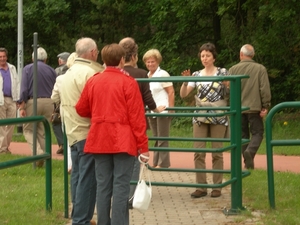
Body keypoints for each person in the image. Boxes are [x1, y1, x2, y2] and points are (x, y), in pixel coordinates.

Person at [75, 43, 149, 225]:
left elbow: (81, 108)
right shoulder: (128, 82)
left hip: (99, 138)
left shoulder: (94, 80)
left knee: (103, 187)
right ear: (123, 60)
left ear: (103, 60)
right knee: (121, 187)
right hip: (123, 140)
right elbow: (137, 118)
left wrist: (99, 114)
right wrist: (144, 147)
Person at [58, 37, 104, 225]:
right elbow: (98, 105)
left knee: (78, 176)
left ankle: (78, 215)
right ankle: (81, 220)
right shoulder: (91, 73)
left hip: (72, 130)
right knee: (87, 179)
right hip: (87, 131)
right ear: (93, 53)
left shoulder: (68, 73)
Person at [119, 37, 165, 207]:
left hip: (117, 121)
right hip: (135, 120)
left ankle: (118, 193)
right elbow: (147, 98)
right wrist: (155, 109)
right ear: (135, 56)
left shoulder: (116, 73)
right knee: (134, 159)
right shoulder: (140, 74)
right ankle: (131, 196)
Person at [180, 42, 229, 198]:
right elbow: (183, 94)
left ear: (214, 57)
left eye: (207, 55)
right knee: (198, 152)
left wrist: (227, 85)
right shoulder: (196, 75)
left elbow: (230, 91)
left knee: (217, 152)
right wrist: (185, 81)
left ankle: (217, 186)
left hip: (218, 115)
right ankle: (201, 187)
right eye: (202, 55)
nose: (205, 58)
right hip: (200, 116)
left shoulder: (222, 72)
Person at [229, 44, 271, 169]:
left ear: (241, 54)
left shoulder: (232, 69)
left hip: (238, 108)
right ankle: (250, 152)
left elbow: (229, 90)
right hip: (254, 107)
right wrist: (266, 105)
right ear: (252, 55)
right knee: (258, 132)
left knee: (242, 135)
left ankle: (248, 161)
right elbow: (264, 89)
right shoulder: (260, 69)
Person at [18, 47, 57, 167]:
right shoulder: (51, 70)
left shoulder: (28, 68)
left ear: (33, 58)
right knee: (43, 131)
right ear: (45, 59)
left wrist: (21, 105)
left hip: (34, 101)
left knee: (28, 129)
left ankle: (38, 154)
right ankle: (46, 158)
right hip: (50, 102)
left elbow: (24, 88)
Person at [142, 49, 175, 168]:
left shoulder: (163, 74)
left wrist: (171, 110)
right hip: (152, 110)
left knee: (162, 138)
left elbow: (171, 92)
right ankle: (156, 162)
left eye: (152, 62)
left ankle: (163, 163)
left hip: (163, 109)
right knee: (156, 137)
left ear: (158, 61)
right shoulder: (146, 75)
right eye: (148, 62)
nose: (150, 64)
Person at [51, 52, 78, 173]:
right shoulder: (88, 75)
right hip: (82, 113)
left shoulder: (60, 79)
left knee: (68, 140)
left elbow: (54, 98)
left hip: (66, 112)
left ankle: (69, 165)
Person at [0, 47, 20, 154]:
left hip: (12, 99)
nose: (2, 59)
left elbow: (17, 84)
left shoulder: (12, 68)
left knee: (11, 124)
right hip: (1, 99)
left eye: (4, 56)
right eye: (0, 57)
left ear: (6, 57)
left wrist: (17, 99)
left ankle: (5, 146)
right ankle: (2, 149)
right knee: (2, 125)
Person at [53, 52, 70, 155]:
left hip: (61, 102)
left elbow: (54, 93)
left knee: (56, 122)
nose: (59, 60)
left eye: (60, 59)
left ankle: (62, 144)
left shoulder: (57, 71)